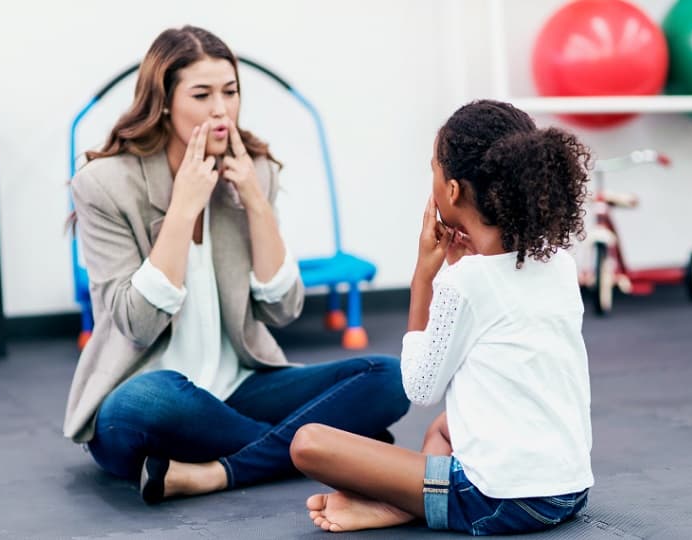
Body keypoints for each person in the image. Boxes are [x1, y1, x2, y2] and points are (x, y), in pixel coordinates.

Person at [63, 25, 409, 505]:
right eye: (202, 94)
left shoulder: (254, 170)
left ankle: (217, 471)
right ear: (163, 101)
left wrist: (253, 199)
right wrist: (184, 207)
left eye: (230, 92)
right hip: (149, 392)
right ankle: (324, 447)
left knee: (389, 377)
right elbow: (138, 324)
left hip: (239, 387)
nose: (221, 109)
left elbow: (283, 310)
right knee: (149, 400)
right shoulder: (103, 184)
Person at [290, 100, 594, 535]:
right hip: (568, 491)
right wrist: (456, 270)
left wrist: (424, 277)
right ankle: (410, 502)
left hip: (500, 501)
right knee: (445, 429)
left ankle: (405, 504)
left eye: (432, 168)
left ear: (451, 191)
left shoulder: (465, 282)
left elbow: (420, 386)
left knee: (309, 443)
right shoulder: (559, 264)